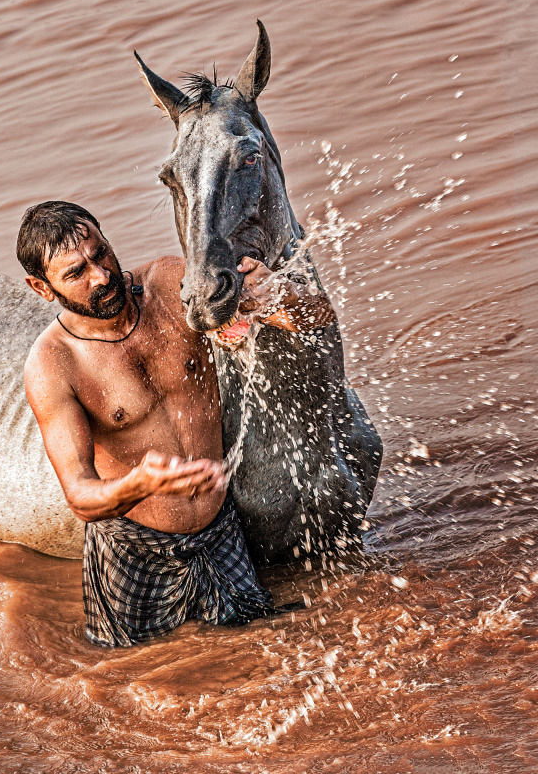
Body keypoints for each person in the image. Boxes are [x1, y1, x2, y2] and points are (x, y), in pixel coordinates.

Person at [18, 201, 331, 647]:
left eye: (100, 253)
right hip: (133, 553)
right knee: (127, 673)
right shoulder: (53, 364)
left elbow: (318, 319)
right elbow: (81, 497)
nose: (101, 276)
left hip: (220, 533)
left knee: (264, 646)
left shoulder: (170, 285)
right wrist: (139, 484)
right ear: (41, 287)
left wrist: (278, 294)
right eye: (76, 273)